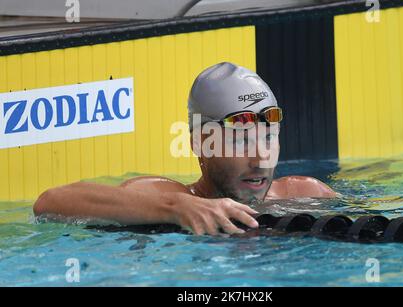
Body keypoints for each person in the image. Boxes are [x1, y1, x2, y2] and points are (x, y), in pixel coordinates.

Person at [33, 62, 337, 236]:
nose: (261, 160)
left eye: (268, 138)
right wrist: (177, 208)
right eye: (241, 141)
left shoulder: (306, 195)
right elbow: (49, 202)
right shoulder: (165, 197)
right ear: (198, 143)